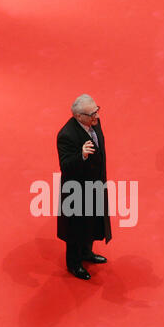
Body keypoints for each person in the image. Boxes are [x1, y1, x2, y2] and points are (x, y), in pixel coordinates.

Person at [57, 94, 112, 280]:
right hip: (76, 191)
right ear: (79, 116)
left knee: (92, 221)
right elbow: (65, 167)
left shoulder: (94, 122)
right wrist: (81, 156)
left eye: (97, 110)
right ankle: (73, 263)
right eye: (92, 113)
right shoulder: (66, 135)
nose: (96, 116)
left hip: (95, 184)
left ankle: (87, 253)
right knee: (76, 227)